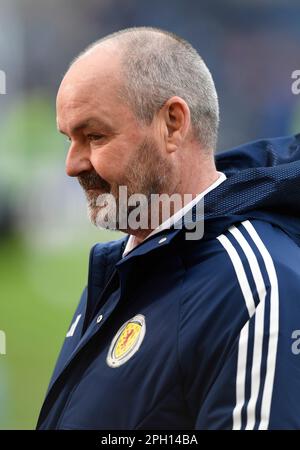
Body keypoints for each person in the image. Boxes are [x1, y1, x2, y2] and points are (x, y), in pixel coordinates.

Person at [37, 27, 300, 430]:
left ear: (173, 124)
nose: (72, 165)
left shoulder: (256, 288)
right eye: (69, 139)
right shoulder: (127, 263)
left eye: (94, 136)